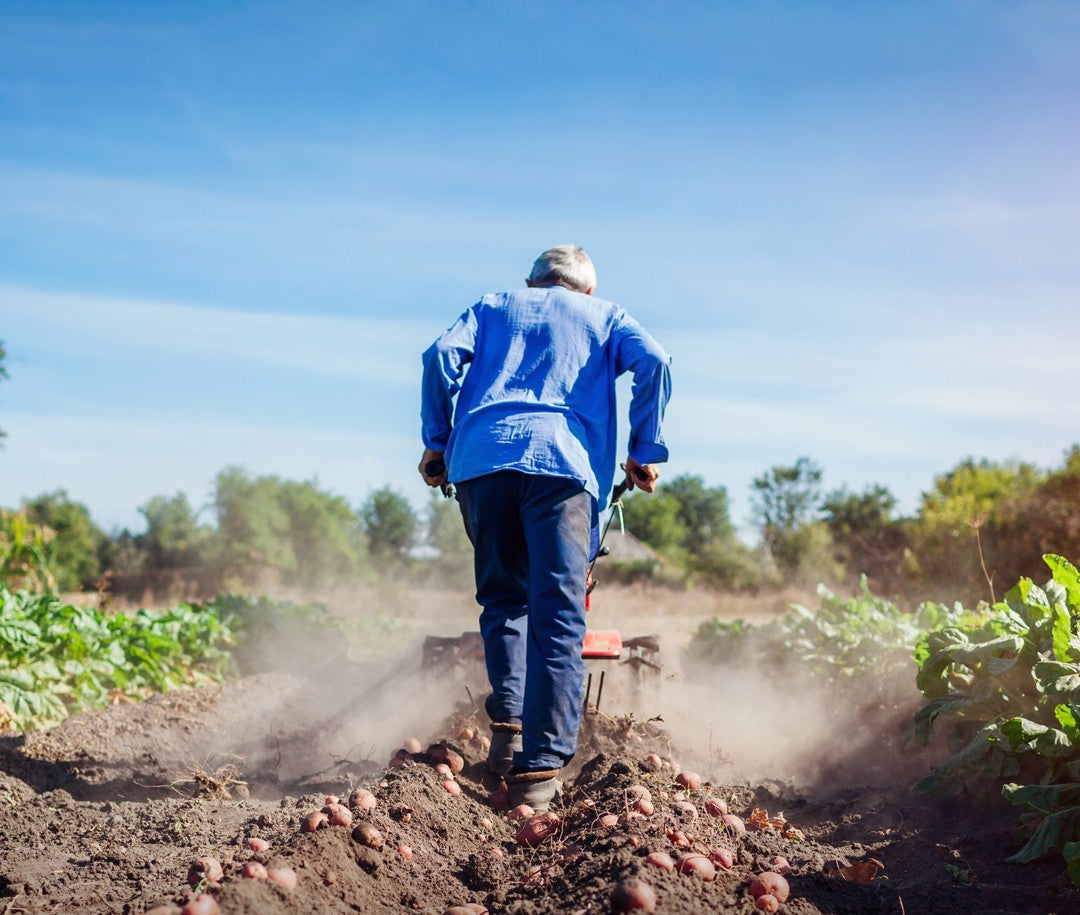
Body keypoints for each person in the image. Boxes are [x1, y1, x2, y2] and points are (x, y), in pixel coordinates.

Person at [419, 245, 671, 811]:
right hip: (562, 465)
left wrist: (437, 442)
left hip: (482, 460)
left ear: (532, 284)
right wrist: (644, 448)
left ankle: (508, 733)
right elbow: (655, 363)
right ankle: (539, 773)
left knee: (505, 600)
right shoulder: (606, 315)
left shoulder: (492, 306)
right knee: (558, 612)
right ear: (585, 290)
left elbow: (439, 356)